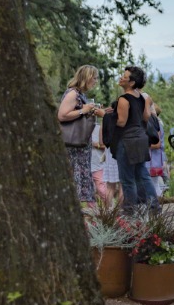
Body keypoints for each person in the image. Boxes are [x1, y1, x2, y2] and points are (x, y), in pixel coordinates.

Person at [57, 65, 110, 204]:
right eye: (94, 78)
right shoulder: (73, 93)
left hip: (80, 145)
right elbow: (62, 115)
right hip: (73, 145)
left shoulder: (81, 94)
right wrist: (84, 110)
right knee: (73, 177)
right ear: (86, 77)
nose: (96, 81)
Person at [110, 65, 158, 213]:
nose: (121, 78)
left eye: (124, 76)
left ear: (131, 82)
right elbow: (145, 117)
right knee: (143, 175)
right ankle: (154, 206)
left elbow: (121, 122)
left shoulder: (124, 99)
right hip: (141, 139)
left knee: (127, 178)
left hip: (127, 141)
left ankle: (130, 209)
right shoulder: (142, 97)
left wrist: (104, 115)